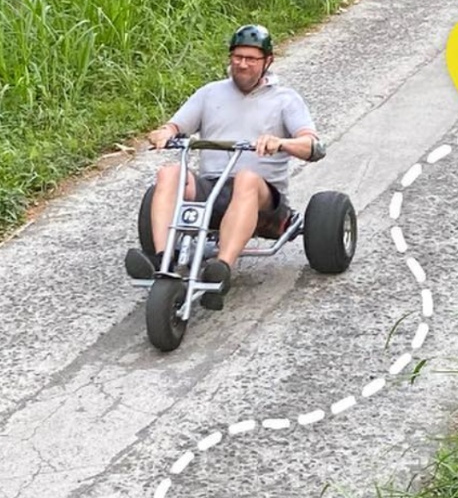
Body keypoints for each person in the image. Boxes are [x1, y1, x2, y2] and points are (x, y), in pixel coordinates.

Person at [137, 24, 322, 298]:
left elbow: (313, 146)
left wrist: (281, 143)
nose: (242, 65)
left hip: (264, 200)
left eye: (251, 59)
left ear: (267, 61)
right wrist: (165, 132)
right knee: (170, 173)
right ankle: (164, 259)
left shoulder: (286, 100)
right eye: (237, 57)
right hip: (213, 190)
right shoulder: (211, 93)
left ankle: (221, 267)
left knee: (245, 180)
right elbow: (176, 125)